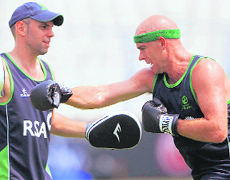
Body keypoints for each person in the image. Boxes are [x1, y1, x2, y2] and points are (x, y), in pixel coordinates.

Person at [33, 15, 230, 179]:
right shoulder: (152, 78)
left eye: (143, 48)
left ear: (162, 43)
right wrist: (63, 94)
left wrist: (167, 123)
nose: (140, 57)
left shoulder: (204, 71)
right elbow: (102, 95)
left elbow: (217, 130)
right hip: (206, 171)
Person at [0, 2, 142, 180]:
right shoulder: (3, 69)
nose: (51, 33)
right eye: (43, 27)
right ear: (21, 28)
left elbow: (48, 120)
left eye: (51, 27)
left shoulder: (46, 71)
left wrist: (90, 130)